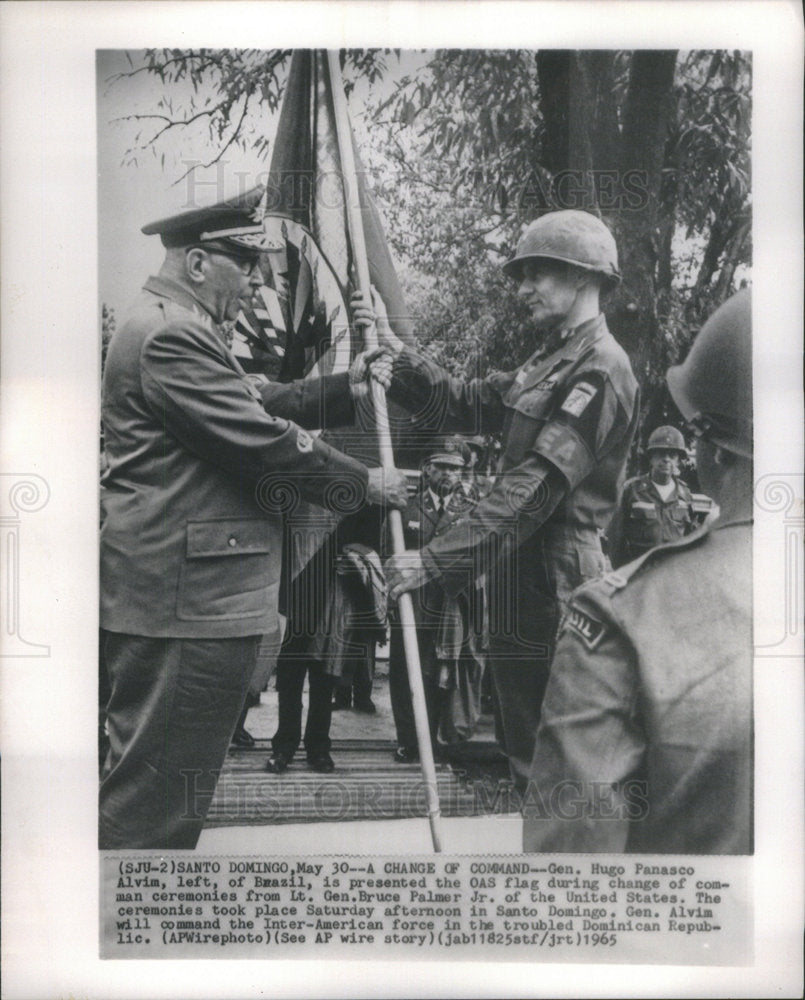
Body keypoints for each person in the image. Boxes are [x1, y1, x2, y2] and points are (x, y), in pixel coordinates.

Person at [99, 184, 407, 849]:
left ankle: (129, 923)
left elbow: (263, 396)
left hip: (187, 596)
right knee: (154, 806)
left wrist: (348, 385)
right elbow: (263, 440)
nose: (259, 281)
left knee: (165, 795)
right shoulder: (171, 335)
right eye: (248, 265)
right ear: (200, 262)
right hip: (186, 603)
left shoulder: (173, 325)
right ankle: (120, 933)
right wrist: (365, 484)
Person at [360, 210, 639, 792]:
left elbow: (534, 486)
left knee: (562, 761)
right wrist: (397, 353)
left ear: (585, 278)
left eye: (538, 274)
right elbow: (468, 402)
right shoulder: (551, 360)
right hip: (519, 570)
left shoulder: (602, 368)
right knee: (526, 756)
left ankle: (568, 880)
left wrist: (435, 560)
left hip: (558, 571)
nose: (523, 288)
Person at [523, 288, 753, 854]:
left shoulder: (615, 617)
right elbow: (620, 540)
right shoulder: (633, 494)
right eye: (660, 457)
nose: (669, 462)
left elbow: (570, 868)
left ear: (710, 452)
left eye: (679, 451)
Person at [387, 437, 479, 762]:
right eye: (441, 467)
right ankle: (408, 740)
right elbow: (391, 557)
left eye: (455, 469)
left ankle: (436, 739)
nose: (448, 475)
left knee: (442, 675)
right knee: (403, 674)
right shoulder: (405, 510)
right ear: (427, 469)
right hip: (411, 605)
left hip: (448, 608)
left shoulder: (472, 514)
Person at [607, 424, 697, 567]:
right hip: (639, 571)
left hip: (673, 571)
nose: (666, 460)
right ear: (651, 458)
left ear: (678, 461)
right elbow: (615, 536)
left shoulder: (685, 494)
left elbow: (691, 537)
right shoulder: (632, 490)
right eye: (661, 454)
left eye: (672, 455)